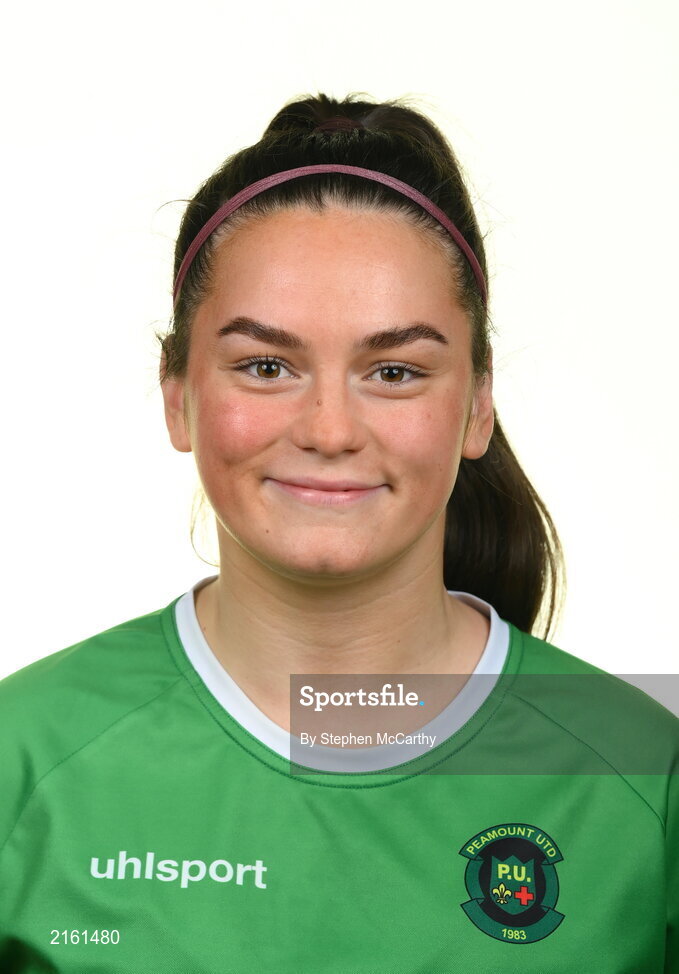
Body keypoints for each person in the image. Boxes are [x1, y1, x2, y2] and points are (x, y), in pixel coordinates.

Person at [0, 92, 677, 973]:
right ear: (178, 395)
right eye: (266, 366)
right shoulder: (26, 754)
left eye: (393, 370)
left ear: (475, 406)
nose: (328, 429)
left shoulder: (641, 771)